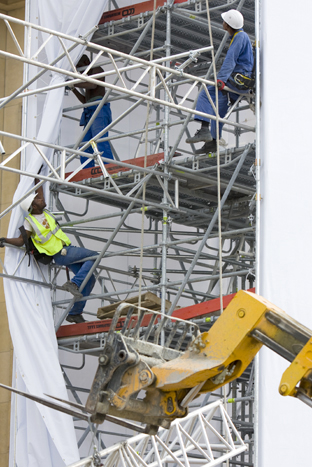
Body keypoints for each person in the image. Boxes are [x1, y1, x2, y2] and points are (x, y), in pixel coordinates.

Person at [0, 179, 98, 324]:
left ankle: (74, 313)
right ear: (33, 206)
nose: (41, 199)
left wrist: (37, 178)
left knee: (90, 279)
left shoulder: (45, 212)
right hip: (61, 253)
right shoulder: (30, 222)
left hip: (65, 250)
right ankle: (74, 283)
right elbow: (21, 241)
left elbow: (40, 192)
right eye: (38, 199)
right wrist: (4, 240)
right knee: (95, 256)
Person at [186, 9, 254, 154]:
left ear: (228, 24)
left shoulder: (240, 37)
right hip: (241, 82)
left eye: (224, 21)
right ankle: (213, 142)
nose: (222, 22)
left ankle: (204, 129)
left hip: (237, 80)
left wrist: (221, 80)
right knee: (219, 109)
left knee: (206, 93)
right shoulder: (240, 36)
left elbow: (231, 59)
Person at [69, 54, 114, 168]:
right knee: (84, 146)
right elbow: (85, 100)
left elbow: (93, 85)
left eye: (79, 67)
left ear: (85, 63)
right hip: (90, 109)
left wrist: (73, 82)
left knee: (100, 141)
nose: (79, 72)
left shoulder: (97, 70)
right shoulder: (87, 77)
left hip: (99, 109)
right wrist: (73, 88)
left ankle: (109, 168)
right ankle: (87, 171)